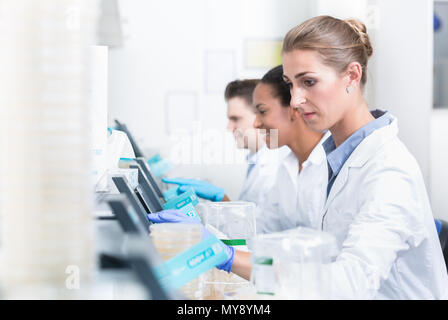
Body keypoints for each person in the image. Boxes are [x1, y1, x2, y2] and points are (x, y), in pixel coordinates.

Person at [149, 15, 448, 299]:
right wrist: (210, 233)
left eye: (309, 82)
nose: (295, 100)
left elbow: (349, 284)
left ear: (352, 75)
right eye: (291, 84)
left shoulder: (388, 171)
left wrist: (226, 256)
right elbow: (298, 252)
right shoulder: (335, 159)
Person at [163, 79, 288, 204]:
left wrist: (222, 199)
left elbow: (259, 222)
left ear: (261, 115)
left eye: (235, 119)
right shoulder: (257, 159)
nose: (229, 127)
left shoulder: (275, 167)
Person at [252, 65, 329, 233]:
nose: (256, 123)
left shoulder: (332, 165)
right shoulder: (286, 169)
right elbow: (262, 231)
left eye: (262, 111)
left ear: (294, 108)